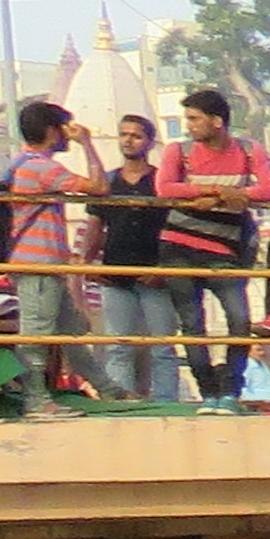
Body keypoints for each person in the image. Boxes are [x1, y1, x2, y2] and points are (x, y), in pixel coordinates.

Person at [153, 89, 270, 405]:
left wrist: (220, 197)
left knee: (239, 319)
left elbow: (269, 190)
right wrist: (215, 190)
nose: (189, 125)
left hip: (225, 251)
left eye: (194, 119)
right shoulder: (178, 151)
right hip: (178, 246)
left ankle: (230, 388)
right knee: (192, 324)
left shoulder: (249, 150)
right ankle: (208, 389)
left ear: (217, 121)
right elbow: (165, 188)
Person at [81, 112, 171, 406]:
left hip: (156, 275)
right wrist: (86, 265)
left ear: (149, 141)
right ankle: (122, 401)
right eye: (124, 135)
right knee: (118, 345)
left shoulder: (162, 182)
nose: (128, 140)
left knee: (162, 346)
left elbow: (175, 228)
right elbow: (95, 224)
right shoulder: (108, 181)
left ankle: (168, 402)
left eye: (136, 135)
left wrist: (165, 269)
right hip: (114, 273)